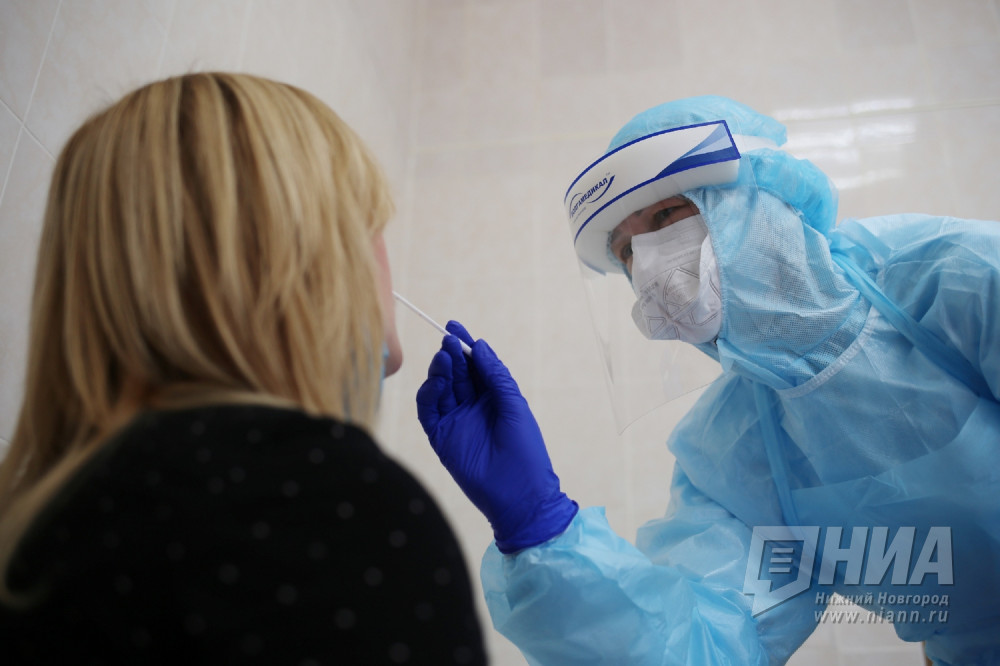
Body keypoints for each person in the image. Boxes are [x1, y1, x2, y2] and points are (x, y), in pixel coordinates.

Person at [416, 96, 1000, 665]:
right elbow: (702, 646)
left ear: (760, 195)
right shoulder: (733, 459)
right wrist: (541, 532)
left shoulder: (951, 280)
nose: (648, 265)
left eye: (666, 216)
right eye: (626, 251)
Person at [0, 72, 486, 665]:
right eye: (368, 222)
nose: (383, 252)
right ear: (293, 257)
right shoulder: (332, 509)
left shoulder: (31, 528)